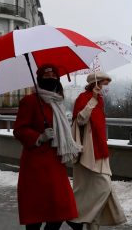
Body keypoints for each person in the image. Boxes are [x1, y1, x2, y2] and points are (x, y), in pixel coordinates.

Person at [13, 64, 82, 230]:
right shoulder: (29, 101)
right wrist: (39, 136)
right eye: (46, 75)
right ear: (39, 79)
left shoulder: (57, 103)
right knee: (36, 214)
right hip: (35, 165)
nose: (50, 78)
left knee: (61, 208)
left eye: (53, 75)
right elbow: (19, 130)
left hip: (55, 161)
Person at [69, 72, 127, 230]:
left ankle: (90, 224)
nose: (103, 86)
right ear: (94, 83)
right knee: (101, 188)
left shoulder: (99, 99)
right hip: (88, 151)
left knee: (95, 191)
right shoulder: (84, 98)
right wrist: (92, 100)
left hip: (99, 149)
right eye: (102, 83)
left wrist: (96, 99)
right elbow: (80, 120)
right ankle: (74, 216)